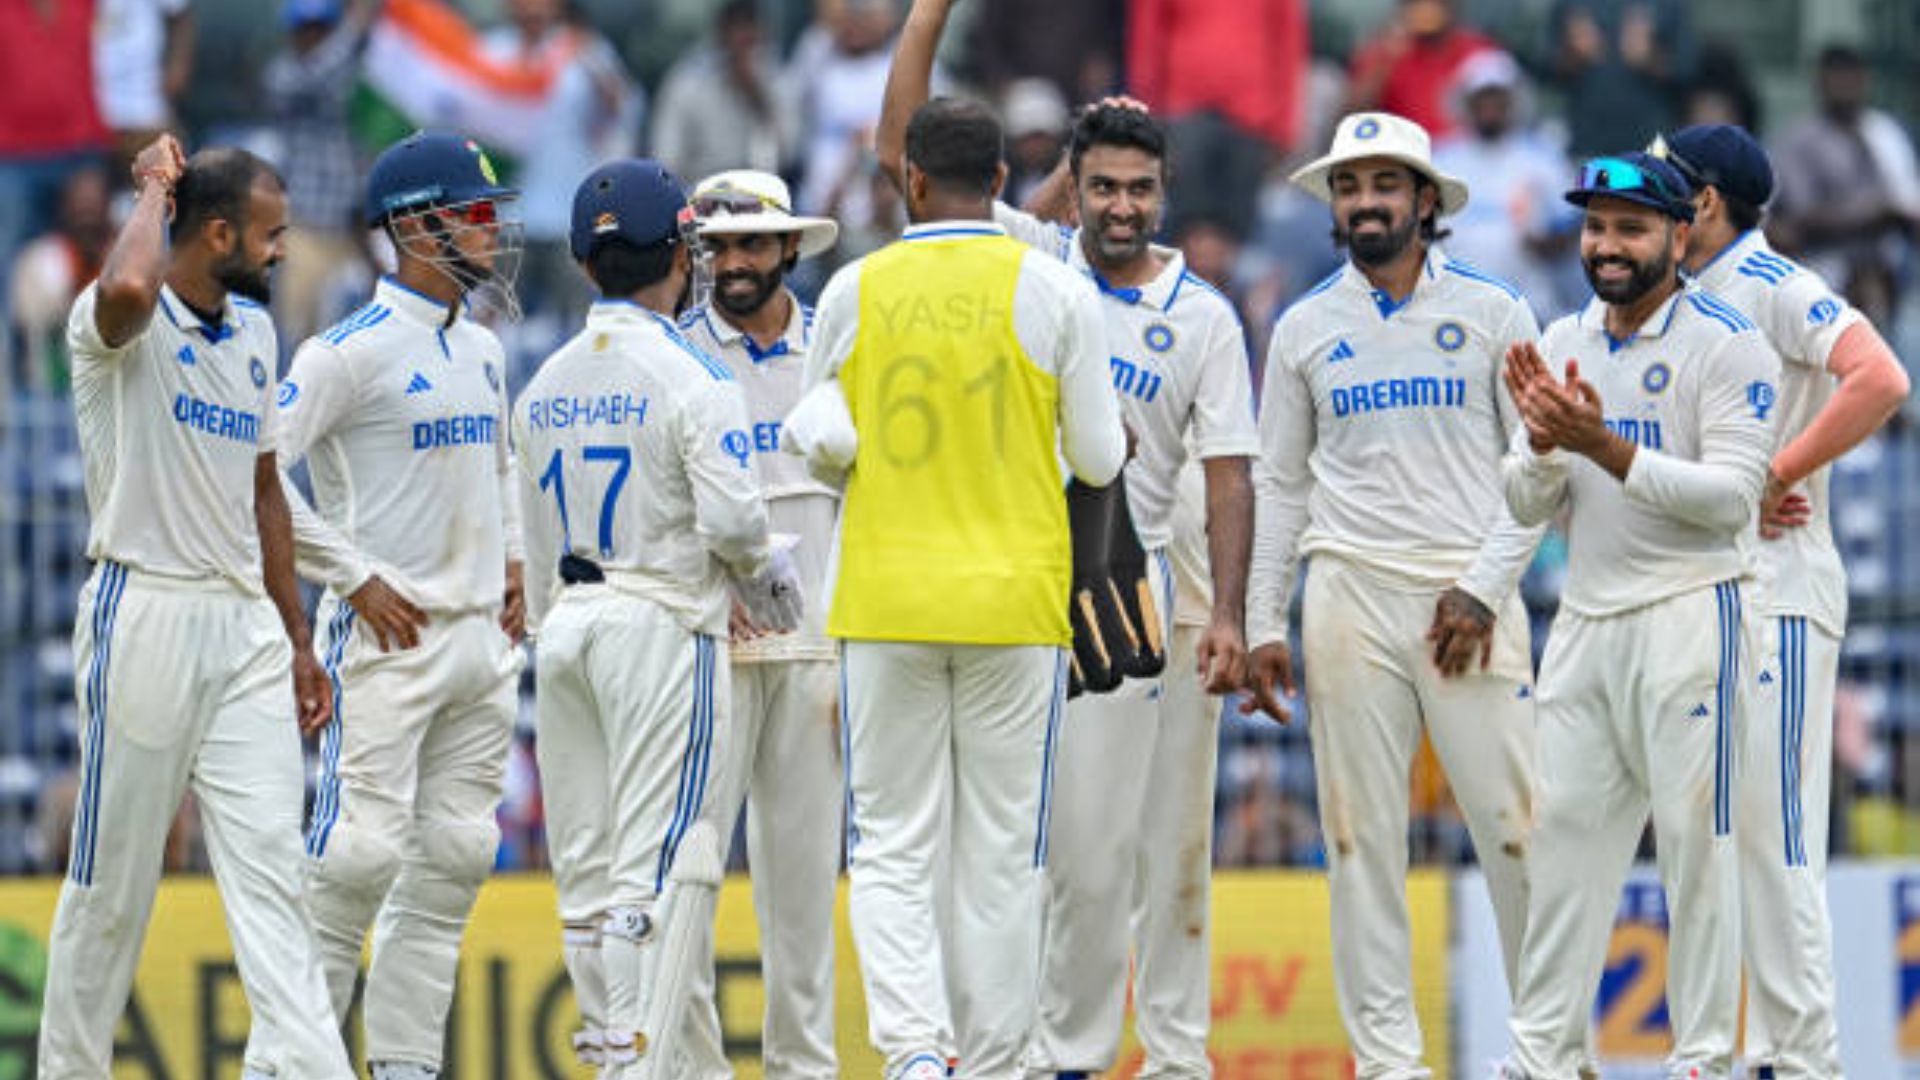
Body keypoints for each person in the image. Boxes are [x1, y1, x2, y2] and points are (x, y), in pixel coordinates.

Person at [878, 4, 1257, 1075]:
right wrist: (926, 18)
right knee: (1060, 854)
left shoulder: (1206, 315)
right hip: (1037, 593)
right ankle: (1067, 1054)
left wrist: (1230, 613)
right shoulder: (1035, 263)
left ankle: (1169, 1058)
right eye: (1105, 187)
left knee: (1161, 853)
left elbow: (1231, 468)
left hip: (1153, 606)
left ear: (1164, 194)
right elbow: (901, 152)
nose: (1124, 206)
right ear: (1073, 189)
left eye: (1141, 189)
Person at [796, 95, 1125, 1080]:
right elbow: (1102, 461)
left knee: (892, 844)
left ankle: (913, 1053)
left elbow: (820, 438)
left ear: (910, 180)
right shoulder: (1058, 290)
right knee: (999, 855)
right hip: (1015, 603)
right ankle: (992, 1063)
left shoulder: (855, 289)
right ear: (999, 184)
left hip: (886, 599)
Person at [38, 134, 352, 1080]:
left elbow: (264, 491)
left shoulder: (256, 334)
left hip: (244, 632)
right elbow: (131, 293)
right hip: (144, 613)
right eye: (267, 235)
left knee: (273, 879)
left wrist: (298, 637)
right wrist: (152, 189)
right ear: (212, 232)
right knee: (112, 889)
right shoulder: (114, 323)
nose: (281, 252)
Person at [1239, 110, 1542, 1080]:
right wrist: (1260, 621)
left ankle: (1544, 1052)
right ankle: (1388, 1066)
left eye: (1383, 185)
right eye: (1348, 186)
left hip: (1471, 594)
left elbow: (1539, 471)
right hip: (1349, 594)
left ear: (1424, 201)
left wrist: (1486, 587)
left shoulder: (1497, 312)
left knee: (1518, 831)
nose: (1365, 203)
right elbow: (1280, 485)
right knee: (1360, 841)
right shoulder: (1303, 325)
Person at [1496, 151, 1780, 1080]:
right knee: (1564, 853)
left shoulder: (1730, 342)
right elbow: (1526, 502)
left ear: (1679, 234)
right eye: (1595, 227)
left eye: (1630, 228)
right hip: (1586, 621)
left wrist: (1603, 447)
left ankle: (1701, 1061)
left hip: (1694, 615)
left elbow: (1732, 500)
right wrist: (1543, 450)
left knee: (1699, 852)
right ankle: (1540, 1058)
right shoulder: (1564, 336)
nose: (1607, 247)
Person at [514, 157, 797, 1076]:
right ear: (683, 251)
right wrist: (769, 586)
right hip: (665, 628)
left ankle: (625, 1058)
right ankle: (637, 1067)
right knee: (675, 861)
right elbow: (734, 523)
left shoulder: (543, 381)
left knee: (588, 878)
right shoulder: (691, 372)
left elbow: (528, 541)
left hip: (566, 633)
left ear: (585, 264)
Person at [1653, 122, 1911, 1080]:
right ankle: (1751, 1053)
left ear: (1707, 203)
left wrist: (1775, 471)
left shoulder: (1772, 285)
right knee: (1725, 834)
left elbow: (1881, 376)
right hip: (1717, 591)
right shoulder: (1692, 298)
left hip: (1785, 591)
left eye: (1669, 186)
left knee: (1778, 833)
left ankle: (1806, 1062)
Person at [276, 130, 526, 1080]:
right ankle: (286, 1066)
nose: (492, 231)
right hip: (387, 641)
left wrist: (512, 562)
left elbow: (500, 464)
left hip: (478, 644)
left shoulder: (484, 349)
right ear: (416, 227)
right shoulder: (347, 354)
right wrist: (351, 574)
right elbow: (257, 474)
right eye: (473, 213)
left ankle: (409, 1069)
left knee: (456, 860)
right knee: (354, 863)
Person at [675, 167, 843, 1080]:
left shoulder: (837, 347)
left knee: (802, 892)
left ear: (787, 248)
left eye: (750, 245)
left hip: (817, 650)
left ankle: (802, 1071)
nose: (732, 264)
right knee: (692, 877)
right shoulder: (674, 353)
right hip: (713, 649)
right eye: (716, 247)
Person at [1769, 45, 1920, 330]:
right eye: (1836, 76)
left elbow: (1909, 206)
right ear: (1819, 82)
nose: (1844, 85)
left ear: (1865, 80)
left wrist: (1891, 214)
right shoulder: (1799, 140)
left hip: (1890, 269)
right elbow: (1801, 219)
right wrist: (1870, 212)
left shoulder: (1885, 132)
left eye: (1851, 76)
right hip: (1823, 266)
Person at [263, 0, 384, 347]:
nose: (313, 36)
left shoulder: (354, 75)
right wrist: (356, 24)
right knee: (298, 335)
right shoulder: (282, 75)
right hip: (305, 228)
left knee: (354, 337)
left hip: (354, 229)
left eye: (321, 27)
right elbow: (319, 72)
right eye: (306, 27)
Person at [1432, 49, 1581, 320]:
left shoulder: (1543, 157)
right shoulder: (1440, 157)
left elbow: (1572, 230)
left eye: (1497, 98)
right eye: (1482, 98)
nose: (1490, 107)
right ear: (1467, 102)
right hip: (1453, 312)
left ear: (1513, 101)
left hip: (1530, 309)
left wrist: (1543, 245)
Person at [651, 0, 796, 183]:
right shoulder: (688, 83)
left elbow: (790, 154)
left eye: (752, 43)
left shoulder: (775, 79)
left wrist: (758, 98)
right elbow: (666, 159)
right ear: (721, 38)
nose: (745, 55)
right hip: (699, 190)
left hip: (759, 190)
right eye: (738, 42)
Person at [1345, 0, 1496, 140]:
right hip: (1407, 156)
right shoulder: (1384, 52)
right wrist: (1385, 61)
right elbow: (1355, 121)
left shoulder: (1479, 50)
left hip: (1468, 158)